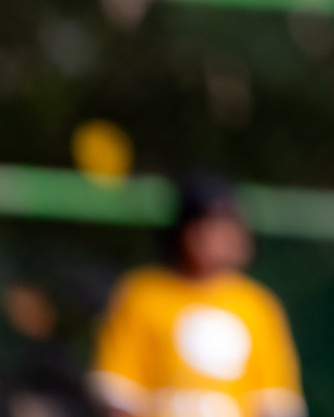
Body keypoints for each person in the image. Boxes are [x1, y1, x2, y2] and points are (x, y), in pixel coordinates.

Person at [89, 177, 306, 417]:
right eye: (217, 225)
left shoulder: (257, 305)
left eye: (236, 226)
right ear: (187, 231)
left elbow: (276, 401)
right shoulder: (143, 294)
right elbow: (120, 393)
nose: (231, 237)